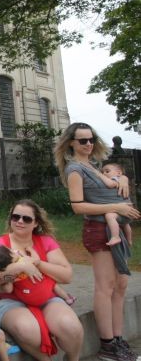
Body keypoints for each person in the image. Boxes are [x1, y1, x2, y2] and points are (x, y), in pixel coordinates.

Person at [54, 122, 140, 361]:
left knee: (121, 284)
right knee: (106, 286)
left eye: (91, 139)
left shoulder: (93, 166)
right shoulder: (75, 170)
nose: (88, 144)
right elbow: (77, 206)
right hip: (98, 230)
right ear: (71, 143)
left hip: (115, 229)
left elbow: (113, 179)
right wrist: (115, 206)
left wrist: (122, 178)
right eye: (83, 140)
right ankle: (107, 344)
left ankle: (118, 338)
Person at [0, 200, 83, 361]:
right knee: (28, 330)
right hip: (10, 301)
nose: (20, 221)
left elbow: (67, 276)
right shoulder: (0, 244)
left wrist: (37, 263)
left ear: (36, 222)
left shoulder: (46, 241)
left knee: (71, 327)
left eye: (26, 219)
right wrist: (22, 266)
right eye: (15, 217)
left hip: (46, 298)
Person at [0, 245, 76, 306]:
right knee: (52, 282)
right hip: (37, 287)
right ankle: (67, 298)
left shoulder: (9, 270)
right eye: (10, 250)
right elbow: (36, 260)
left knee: (8, 288)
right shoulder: (23, 259)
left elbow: (8, 288)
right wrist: (31, 250)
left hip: (27, 298)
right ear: (11, 253)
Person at [101, 162, 133, 246]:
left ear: (118, 173)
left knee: (109, 216)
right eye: (102, 172)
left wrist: (99, 175)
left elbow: (110, 184)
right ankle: (129, 240)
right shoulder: (121, 179)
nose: (104, 173)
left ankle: (115, 237)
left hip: (124, 209)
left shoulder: (116, 179)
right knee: (126, 224)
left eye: (107, 171)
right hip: (128, 210)